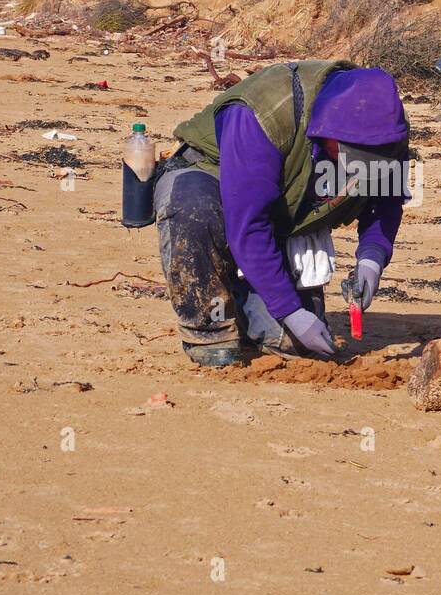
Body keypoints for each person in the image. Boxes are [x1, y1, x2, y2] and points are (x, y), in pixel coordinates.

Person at [154, 59, 410, 366]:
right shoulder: (261, 117)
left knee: (300, 347)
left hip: (285, 208)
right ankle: (211, 327)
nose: (361, 171)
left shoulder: (385, 125)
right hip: (213, 179)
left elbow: (387, 200)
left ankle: (247, 297)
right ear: (327, 134)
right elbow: (248, 226)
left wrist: (372, 259)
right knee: (193, 208)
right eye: (353, 160)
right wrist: (292, 313)